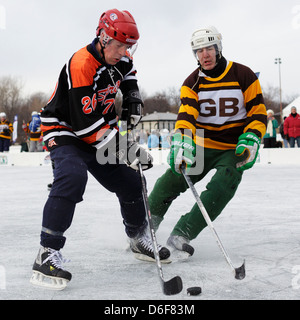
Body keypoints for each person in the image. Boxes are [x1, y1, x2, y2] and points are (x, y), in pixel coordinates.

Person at [30, 9, 170, 290]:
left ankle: (136, 237)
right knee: (72, 176)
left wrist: (132, 95)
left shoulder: (123, 56)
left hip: (98, 126)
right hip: (66, 129)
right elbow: (86, 128)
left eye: (128, 46)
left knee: (131, 181)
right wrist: (127, 150)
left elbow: (129, 72)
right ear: (103, 38)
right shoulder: (81, 63)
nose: (123, 51)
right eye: (118, 45)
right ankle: (47, 253)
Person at [148, 26, 267, 255]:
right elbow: (186, 116)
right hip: (202, 144)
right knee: (172, 180)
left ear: (218, 48)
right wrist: (182, 140)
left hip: (233, 147)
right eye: (199, 50)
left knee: (224, 184)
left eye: (209, 48)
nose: (205, 55)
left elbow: (257, 112)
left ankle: (184, 231)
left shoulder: (243, 75)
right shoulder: (192, 82)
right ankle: (145, 227)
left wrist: (252, 136)